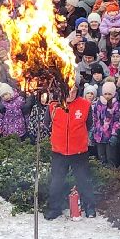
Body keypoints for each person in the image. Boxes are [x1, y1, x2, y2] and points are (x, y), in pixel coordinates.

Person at [46, 82, 94, 220]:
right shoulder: (54, 105)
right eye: (67, 92)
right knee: (56, 182)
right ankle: (54, 208)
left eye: (73, 91)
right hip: (59, 152)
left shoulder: (85, 105)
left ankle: (89, 207)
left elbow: (89, 124)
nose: (70, 95)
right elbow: (47, 124)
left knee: (84, 180)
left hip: (79, 151)